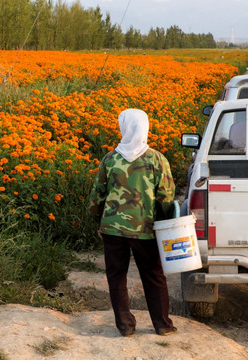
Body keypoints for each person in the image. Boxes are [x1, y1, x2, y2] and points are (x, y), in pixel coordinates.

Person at [88, 109, 176, 337]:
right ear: (144, 127)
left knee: (117, 276)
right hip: (145, 230)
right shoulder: (156, 159)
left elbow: (97, 195)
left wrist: (99, 222)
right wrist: (163, 223)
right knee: (153, 275)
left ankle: (125, 326)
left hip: (112, 229)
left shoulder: (110, 159)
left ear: (123, 127)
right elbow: (166, 197)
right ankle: (162, 324)